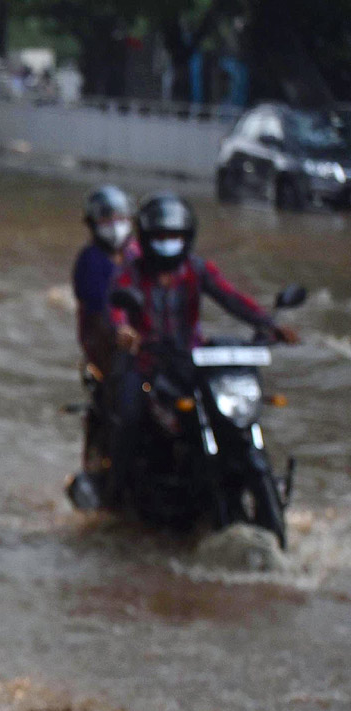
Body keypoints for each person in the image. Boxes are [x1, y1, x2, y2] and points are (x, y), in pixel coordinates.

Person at [104, 192, 299, 496]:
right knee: (128, 418)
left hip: (191, 363)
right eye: (161, 237)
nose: (168, 243)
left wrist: (269, 324)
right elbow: (117, 306)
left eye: (175, 237)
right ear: (146, 238)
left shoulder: (197, 270)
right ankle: (112, 496)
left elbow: (233, 299)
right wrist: (124, 329)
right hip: (147, 364)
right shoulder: (133, 271)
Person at [72, 185, 134, 371]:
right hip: (106, 343)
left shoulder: (136, 254)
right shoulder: (90, 261)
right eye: (107, 220)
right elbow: (102, 309)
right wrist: (121, 330)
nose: (115, 225)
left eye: (121, 218)